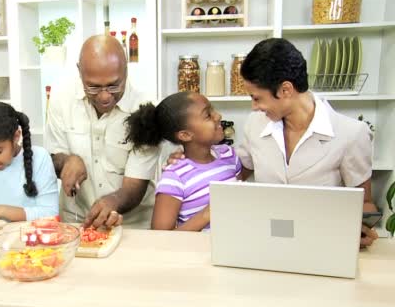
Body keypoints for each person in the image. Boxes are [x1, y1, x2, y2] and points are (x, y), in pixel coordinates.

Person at [170, 38, 378, 247]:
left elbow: (364, 202)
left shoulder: (352, 134)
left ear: (286, 90)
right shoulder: (256, 125)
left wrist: (362, 229)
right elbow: (234, 172)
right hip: (264, 243)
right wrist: (188, 158)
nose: (253, 107)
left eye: (257, 98)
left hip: (319, 244)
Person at [45, 35, 159, 229]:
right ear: (79, 71)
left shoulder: (147, 110)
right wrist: (67, 161)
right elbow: (53, 158)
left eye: (114, 85)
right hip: (75, 222)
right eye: (94, 87)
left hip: (132, 226)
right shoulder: (60, 98)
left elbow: (135, 186)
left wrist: (111, 202)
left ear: (126, 71)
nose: (105, 97)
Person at [126, 92, 241, 231]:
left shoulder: (229, 155)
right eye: (208, 115)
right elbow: (161, 237)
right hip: (198, 252)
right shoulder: (175, 177)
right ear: (185, 135)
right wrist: (206, 215)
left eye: (213, 109)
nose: (218, 116)